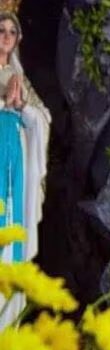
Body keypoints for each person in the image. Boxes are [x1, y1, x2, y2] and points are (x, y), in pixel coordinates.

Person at [0, 10, 51, 328]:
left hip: (13, 163)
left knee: (12, 237)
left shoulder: (19, 77)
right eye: (0, 30)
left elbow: (42, 118)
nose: (5, 36)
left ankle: (7, 333)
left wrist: (22, 108)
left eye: (11, 32)